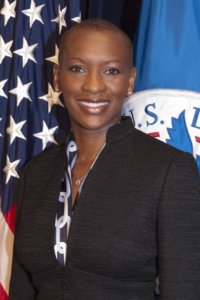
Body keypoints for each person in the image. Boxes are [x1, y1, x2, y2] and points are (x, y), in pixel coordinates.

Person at [9, 19, 200, 300]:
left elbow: (184, 291)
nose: (94, 86)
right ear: (58, 77)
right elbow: (22, 289)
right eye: (78, 69)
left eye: (111, 71)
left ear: (130, 80)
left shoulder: (170, 170)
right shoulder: (36, 173)